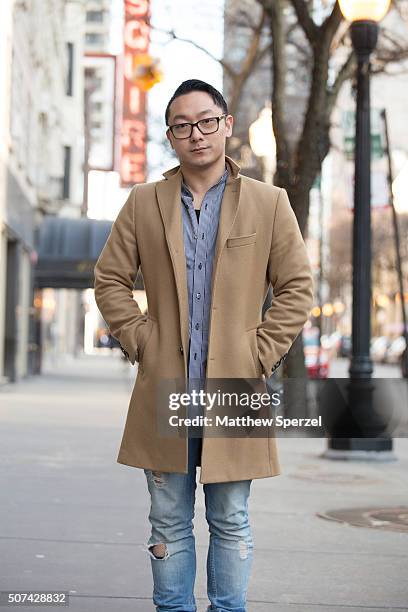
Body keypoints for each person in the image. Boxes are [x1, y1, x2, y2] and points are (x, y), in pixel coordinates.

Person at [94, 79, 314, 612]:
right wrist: (144, 341)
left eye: (207, 121)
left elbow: (296, 288)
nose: (197, 134)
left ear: (226, 125)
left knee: (231, 519)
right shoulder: (145, 203)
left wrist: (259, 352)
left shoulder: (268, 202)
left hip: (234, 387)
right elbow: (110, 281)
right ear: (170, 136)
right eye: (183, 126)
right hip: (166, 389)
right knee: (167, 519)